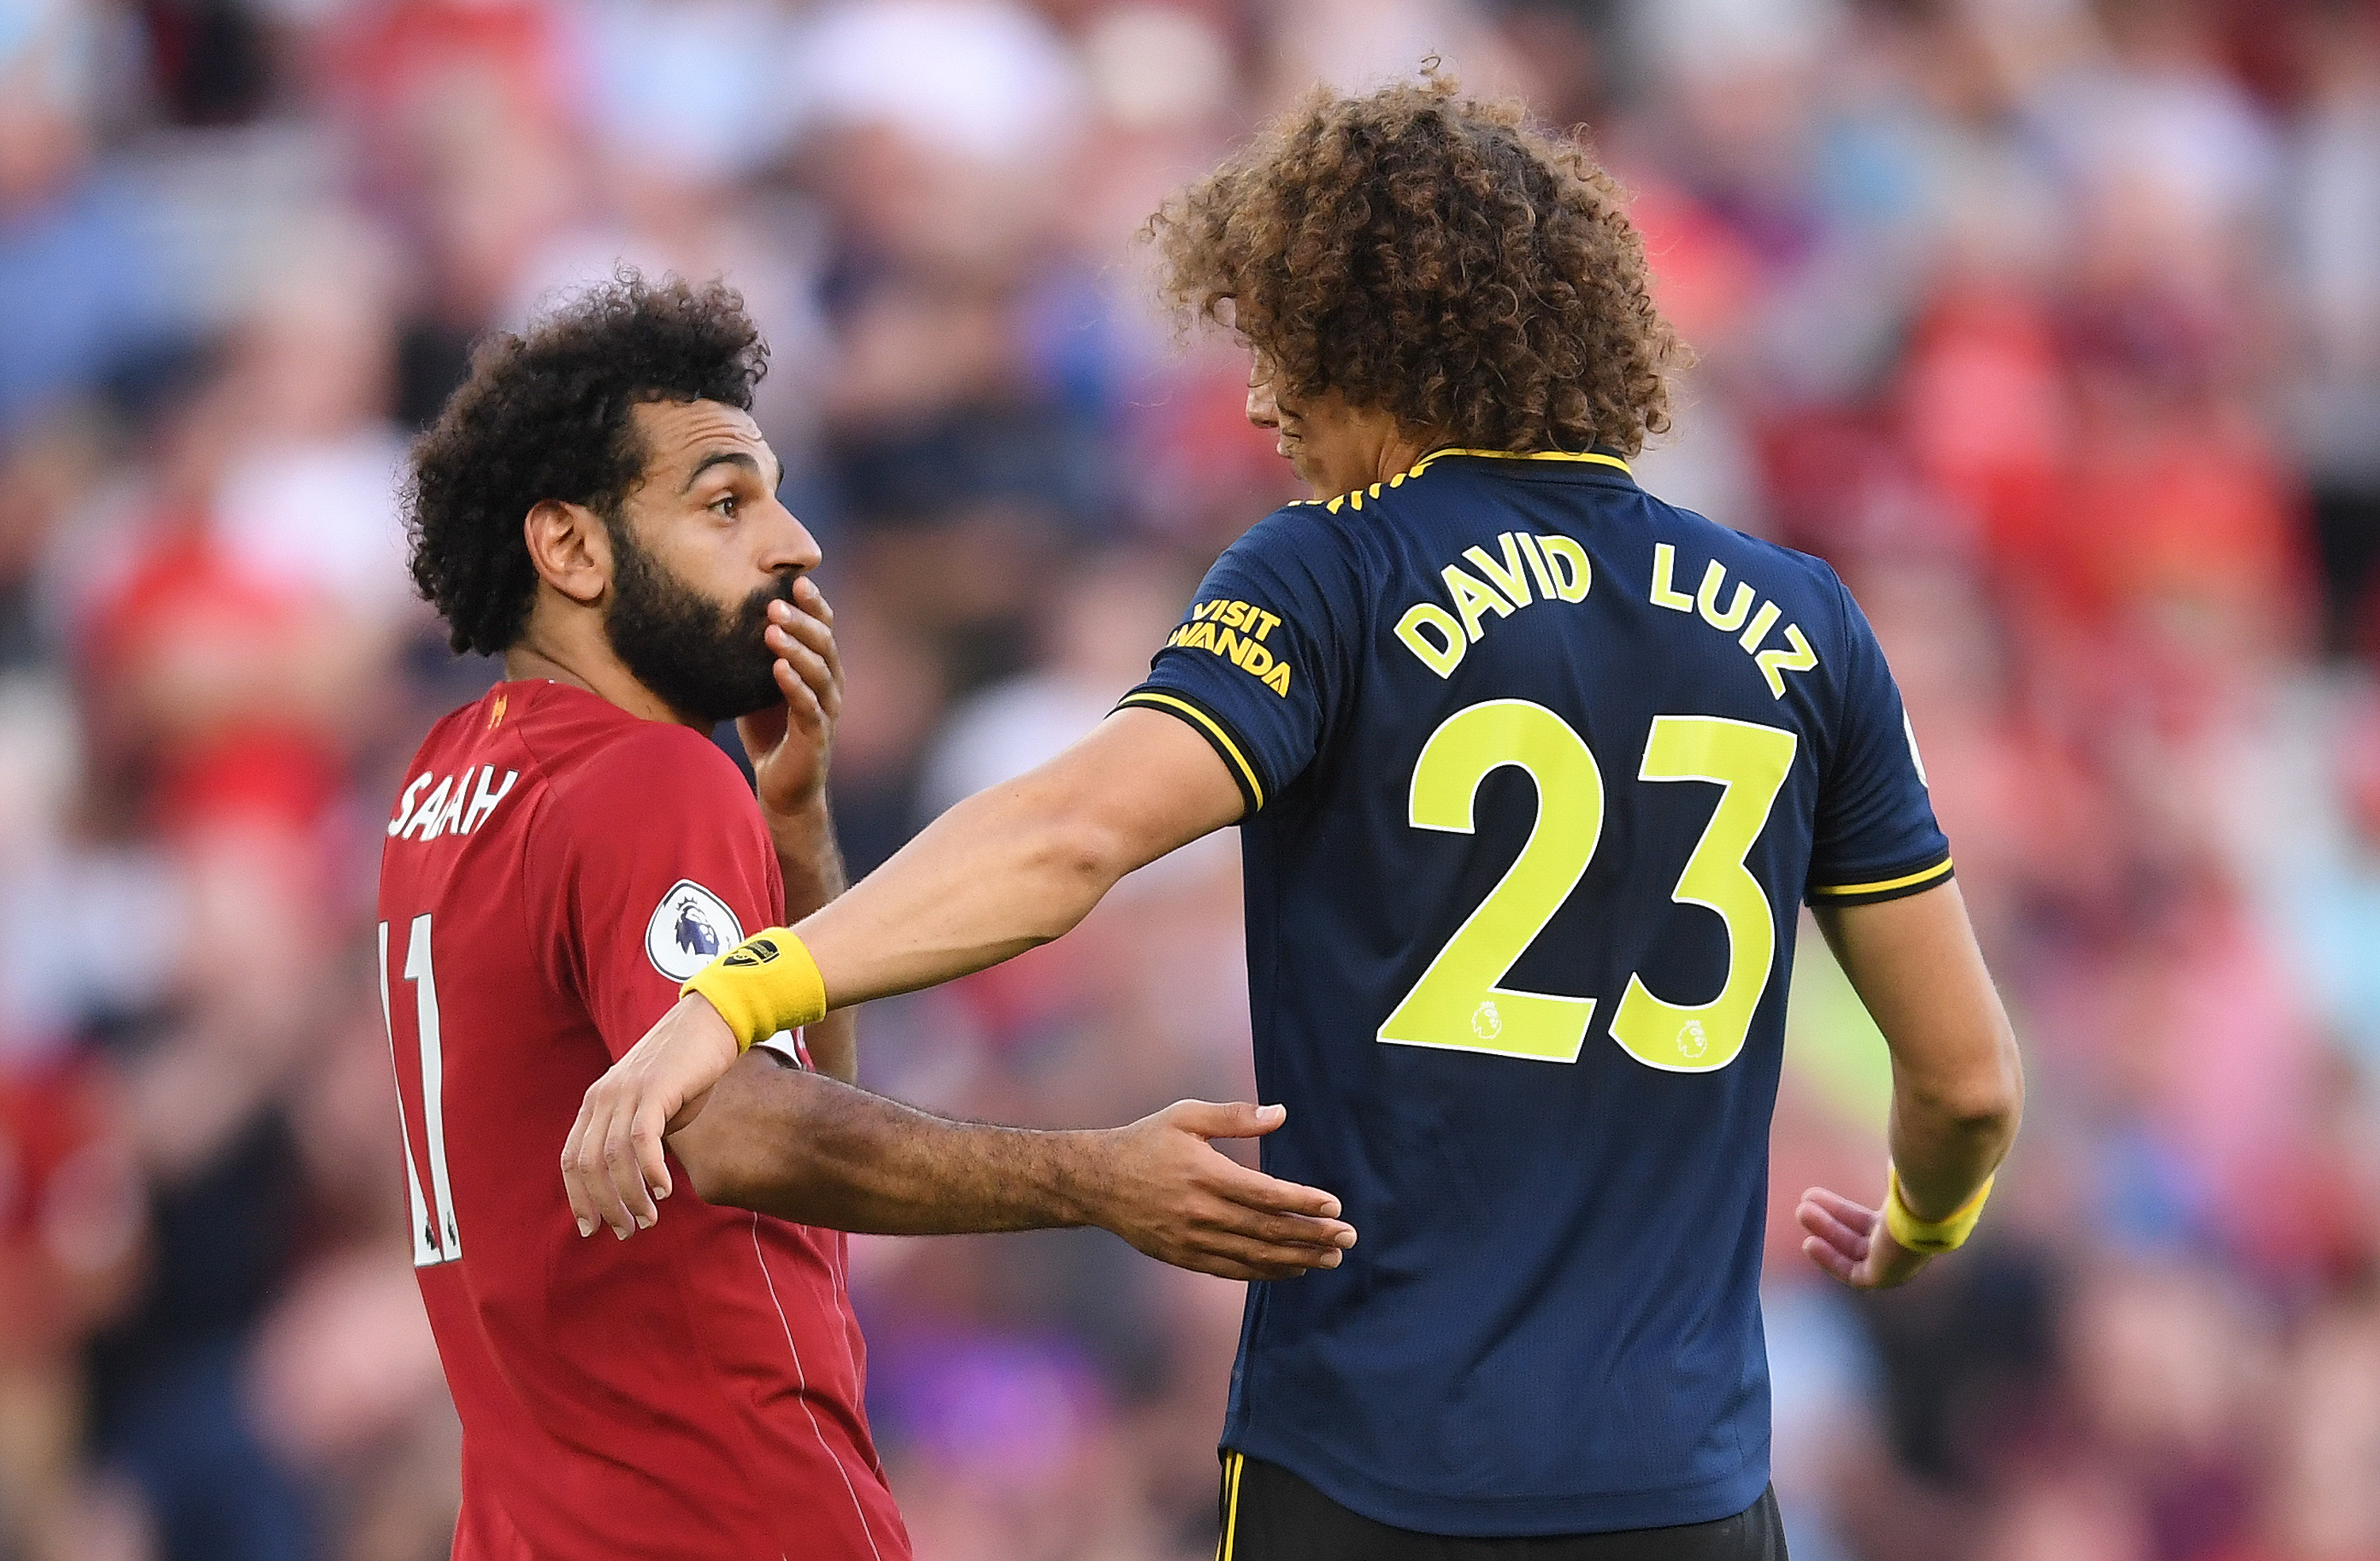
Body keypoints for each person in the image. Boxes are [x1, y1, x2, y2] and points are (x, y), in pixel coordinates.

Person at [566, 75, 2024, 1560]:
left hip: (1371, 1471)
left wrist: (741, 994)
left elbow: (1072, 837)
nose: (1264, 402)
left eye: (1284, 351)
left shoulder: (1335, 573)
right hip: (1688, 1493)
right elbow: (1969, 1083)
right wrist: (1920, 1221)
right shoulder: (1806, 623)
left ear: (1375, 340)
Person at [381, 273, 1355, 1561]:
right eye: (725, 504)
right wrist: (1095, 1177)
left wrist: (794, 838)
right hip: (730, 1512)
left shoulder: (444, 781)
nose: (795, 542)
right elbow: (731, 1132)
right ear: (569, 547)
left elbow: (767, 1151)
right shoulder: (648, 777)